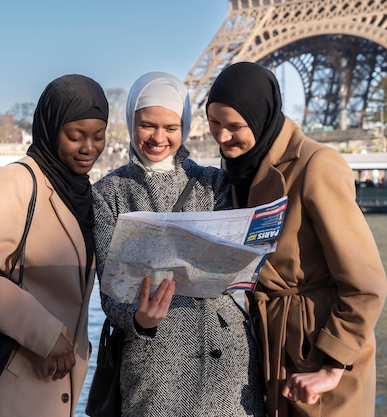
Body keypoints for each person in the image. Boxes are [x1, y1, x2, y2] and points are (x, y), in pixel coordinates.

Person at [205, 62, 387, 417]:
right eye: (214, 123)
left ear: (261, 117)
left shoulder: (317, 165)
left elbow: (367, 283)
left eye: (235, 126)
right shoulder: (242, 168)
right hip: (270, 347)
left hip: (322, 352)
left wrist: (333, 367)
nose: (223, 137)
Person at [92, 71, 266, 417]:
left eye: (171, 128)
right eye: (147, 126)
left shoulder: (215, 181)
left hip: (224, 356)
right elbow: (110, 296)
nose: (159, 138)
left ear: (184, 127)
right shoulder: (107, 194)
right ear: (130, 123)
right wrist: (140, 318)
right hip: (153, 358)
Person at [0, 74, 109, 417]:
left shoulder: (85, 196)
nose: (88, 148)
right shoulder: (14, 183)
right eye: (75, 136)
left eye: (99, 136)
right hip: (3, 387)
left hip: (52, 386)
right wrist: (46, 333)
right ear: (49, 128)